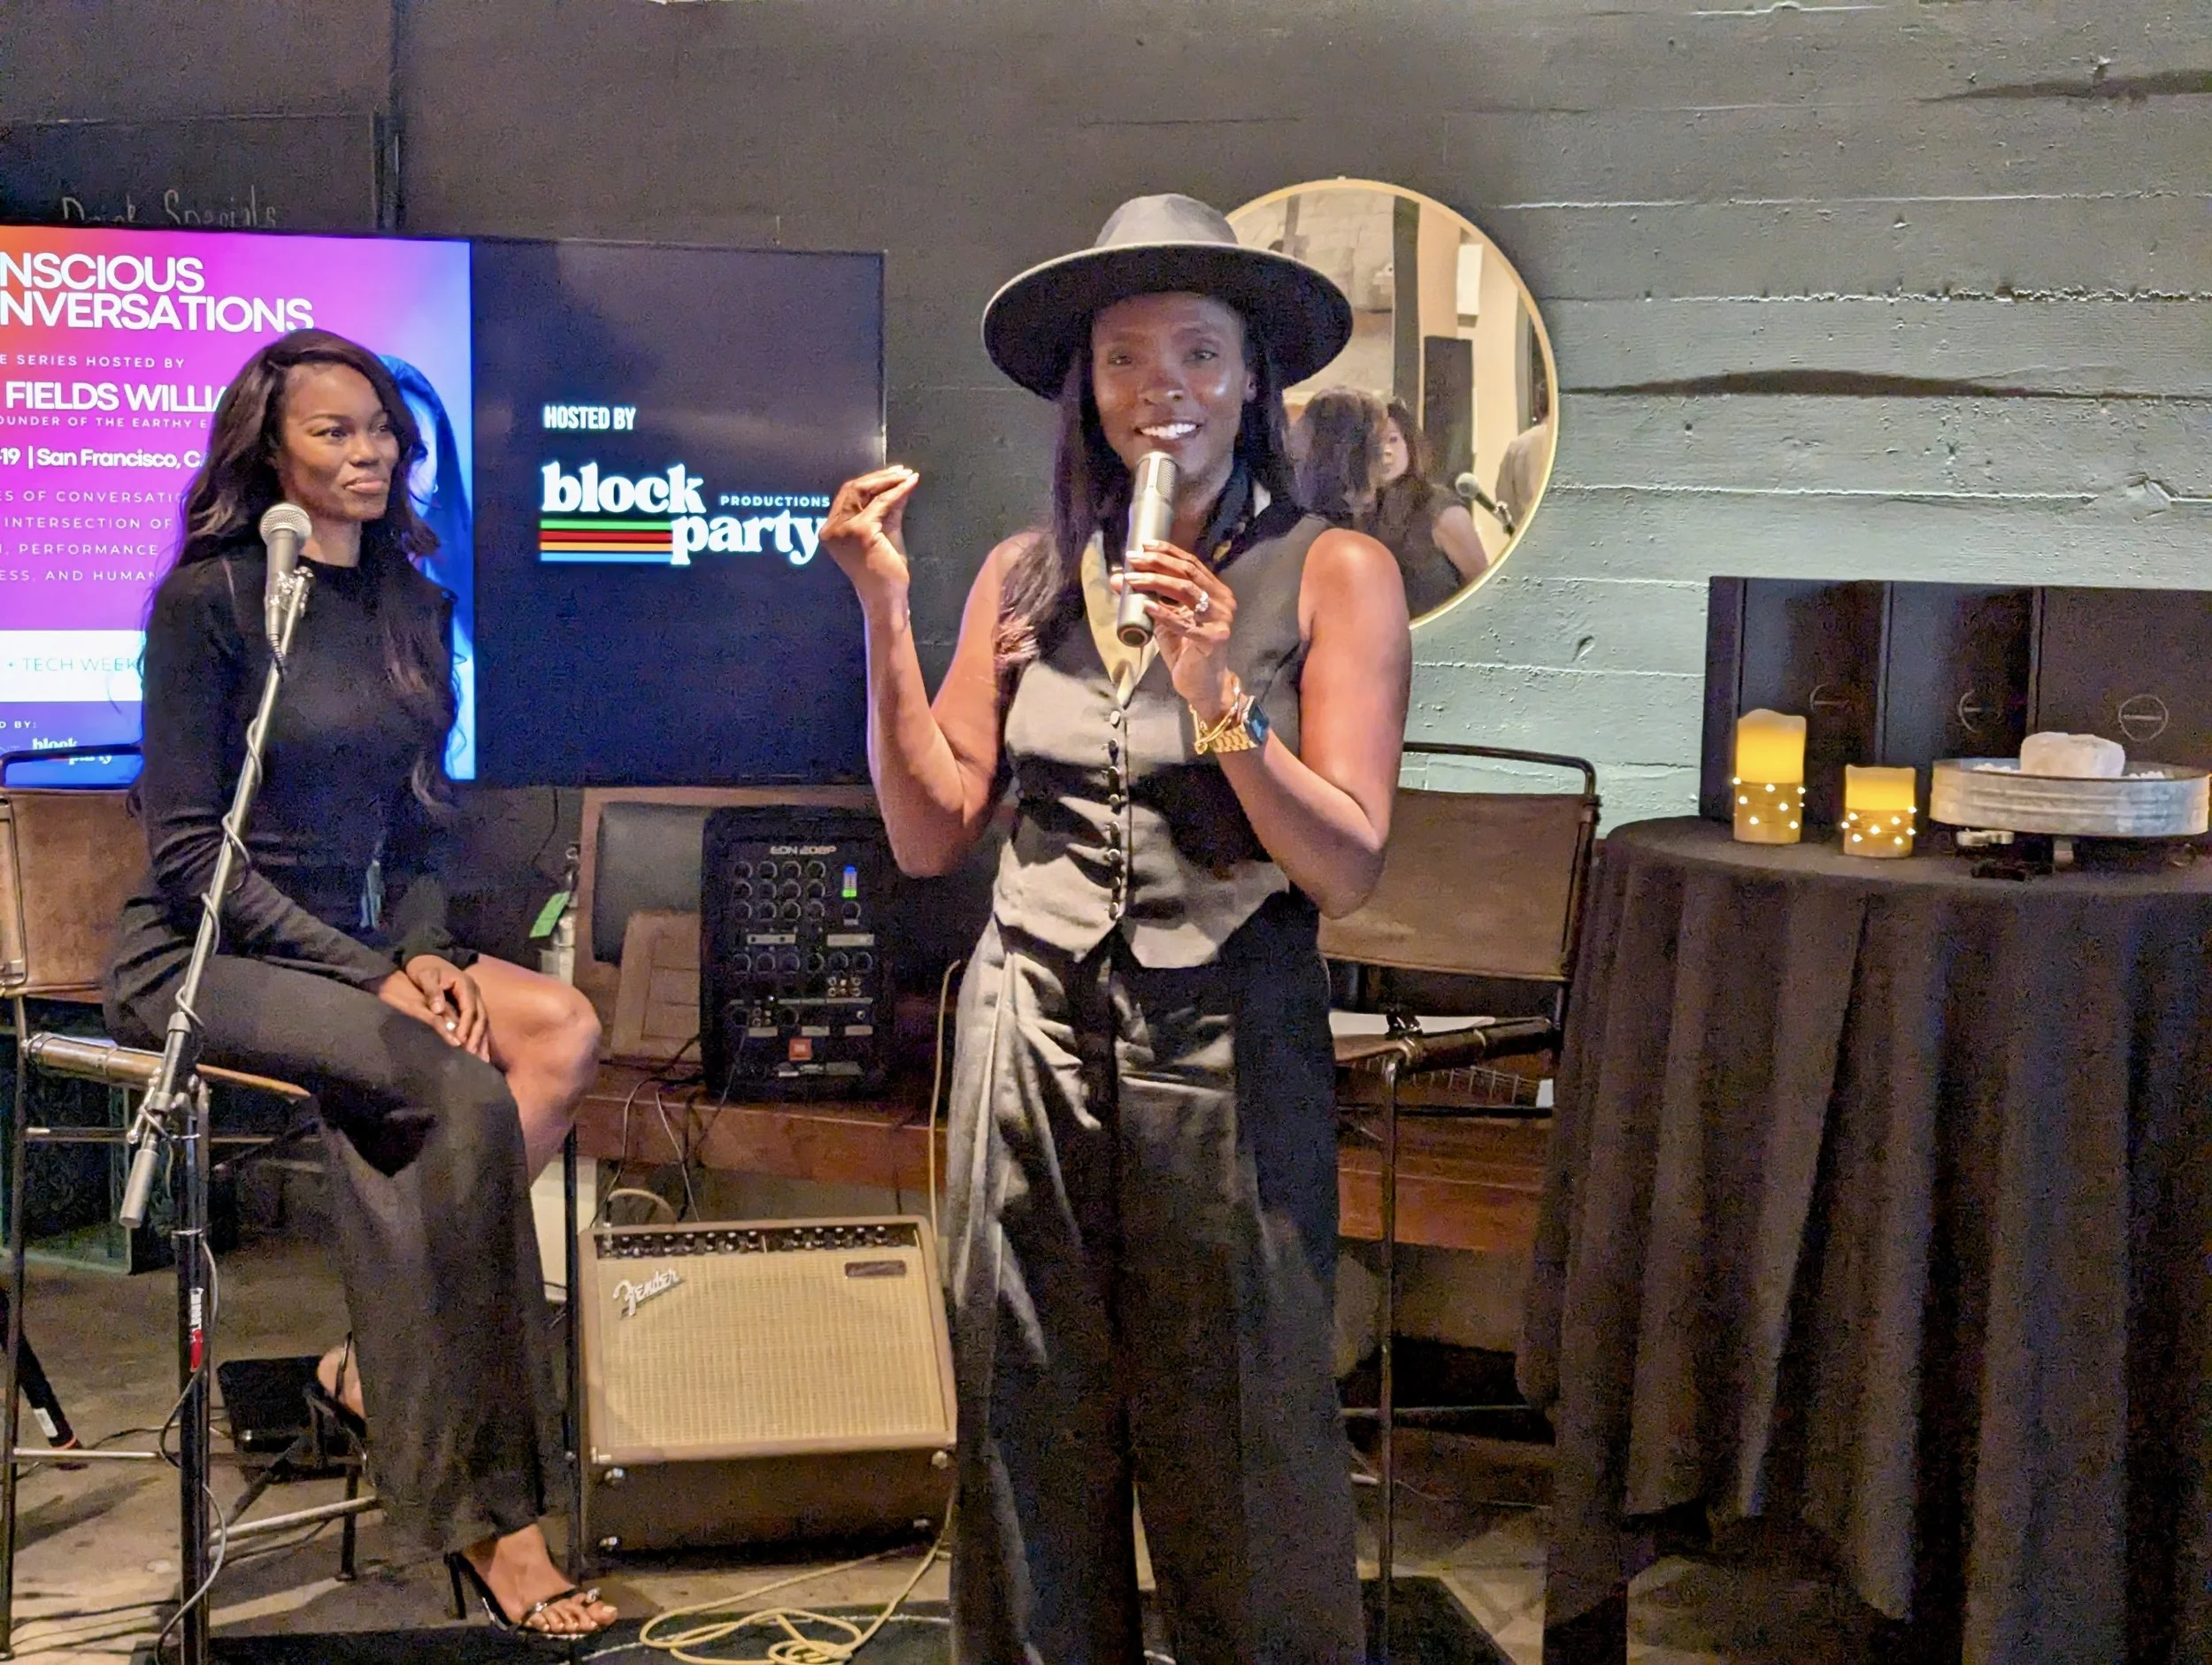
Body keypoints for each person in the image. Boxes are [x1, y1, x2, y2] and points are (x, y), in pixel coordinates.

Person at [820, 195, 1411, 1664]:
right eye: (1130, 359)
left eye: (1201, 356)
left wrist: (1220, 691)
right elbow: (927, 824)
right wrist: (885, 615)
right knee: (1026, 1406)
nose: (1168, 393)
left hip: (1224, 1027)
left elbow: (1344, 864)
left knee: (1242, 1422)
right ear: (1087, 385)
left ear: (1253, 381)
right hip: (1029, 1030)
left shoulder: (1337, 571)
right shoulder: (1027, 572)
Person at [103, 329, 612, 1639]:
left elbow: (428, 820)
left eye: (381, 425)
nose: (369, 448)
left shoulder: (410, 603)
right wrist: (375, 973)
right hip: (206, 951)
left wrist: (427, 950)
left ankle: (374, 1364)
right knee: (454, 1094)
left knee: (556, 1033)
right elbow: (183, 849)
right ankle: (496, 1523)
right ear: (270, 451)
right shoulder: (212, 599)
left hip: (358, 946)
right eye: (334, 430)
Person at [1373, 397, 1487, 616]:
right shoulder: (1363, 511)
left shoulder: (1442, 510)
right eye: (1375, 443)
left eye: (1393, 439)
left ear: (1410, 444)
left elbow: (1482, 590)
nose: (1385, 451)